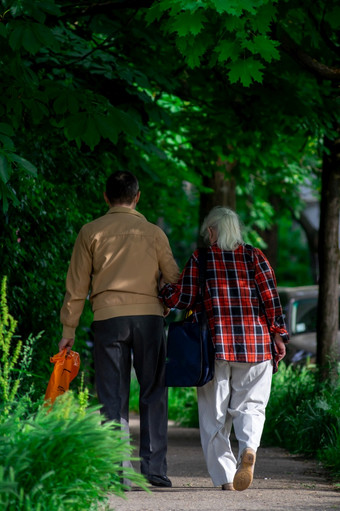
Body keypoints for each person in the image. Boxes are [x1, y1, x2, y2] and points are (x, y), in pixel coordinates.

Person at [59, 170, 179, 488]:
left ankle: (116, 471)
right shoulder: (154, 233)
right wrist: (166, 305)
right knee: (153, 391)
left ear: (106, 196)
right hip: (150, 320)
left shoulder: (90, 231)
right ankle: (154, 469)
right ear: (137, 197)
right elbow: (174, 277)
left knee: (112, 395)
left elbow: (76, 285)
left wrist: (68, 328)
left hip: (108, 319)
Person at [159, 206, 288, 492]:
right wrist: (279, 335)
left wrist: (163, 291)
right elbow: (271, 300)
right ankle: (248, 449)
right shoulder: (255, 256)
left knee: (214, 415)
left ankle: (226, 478)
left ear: (214, 230)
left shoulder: (202, 258)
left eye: (209, 230)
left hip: (214, 347)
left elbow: (184, 298)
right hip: (256, 346)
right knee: (252, 406)